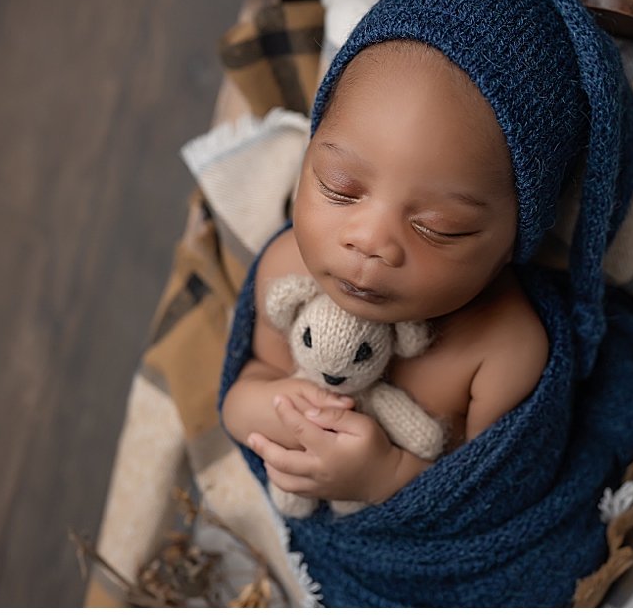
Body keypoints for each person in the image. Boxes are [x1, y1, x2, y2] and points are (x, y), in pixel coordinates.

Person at [221, 38, 548, 506]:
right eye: (340, 188)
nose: (369, 242)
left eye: (439, 228)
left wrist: (386, 477)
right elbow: (250, 385)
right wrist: (288, 415)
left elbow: (489, 496)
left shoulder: (504, 348)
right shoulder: (286, 268)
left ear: (512, 243)